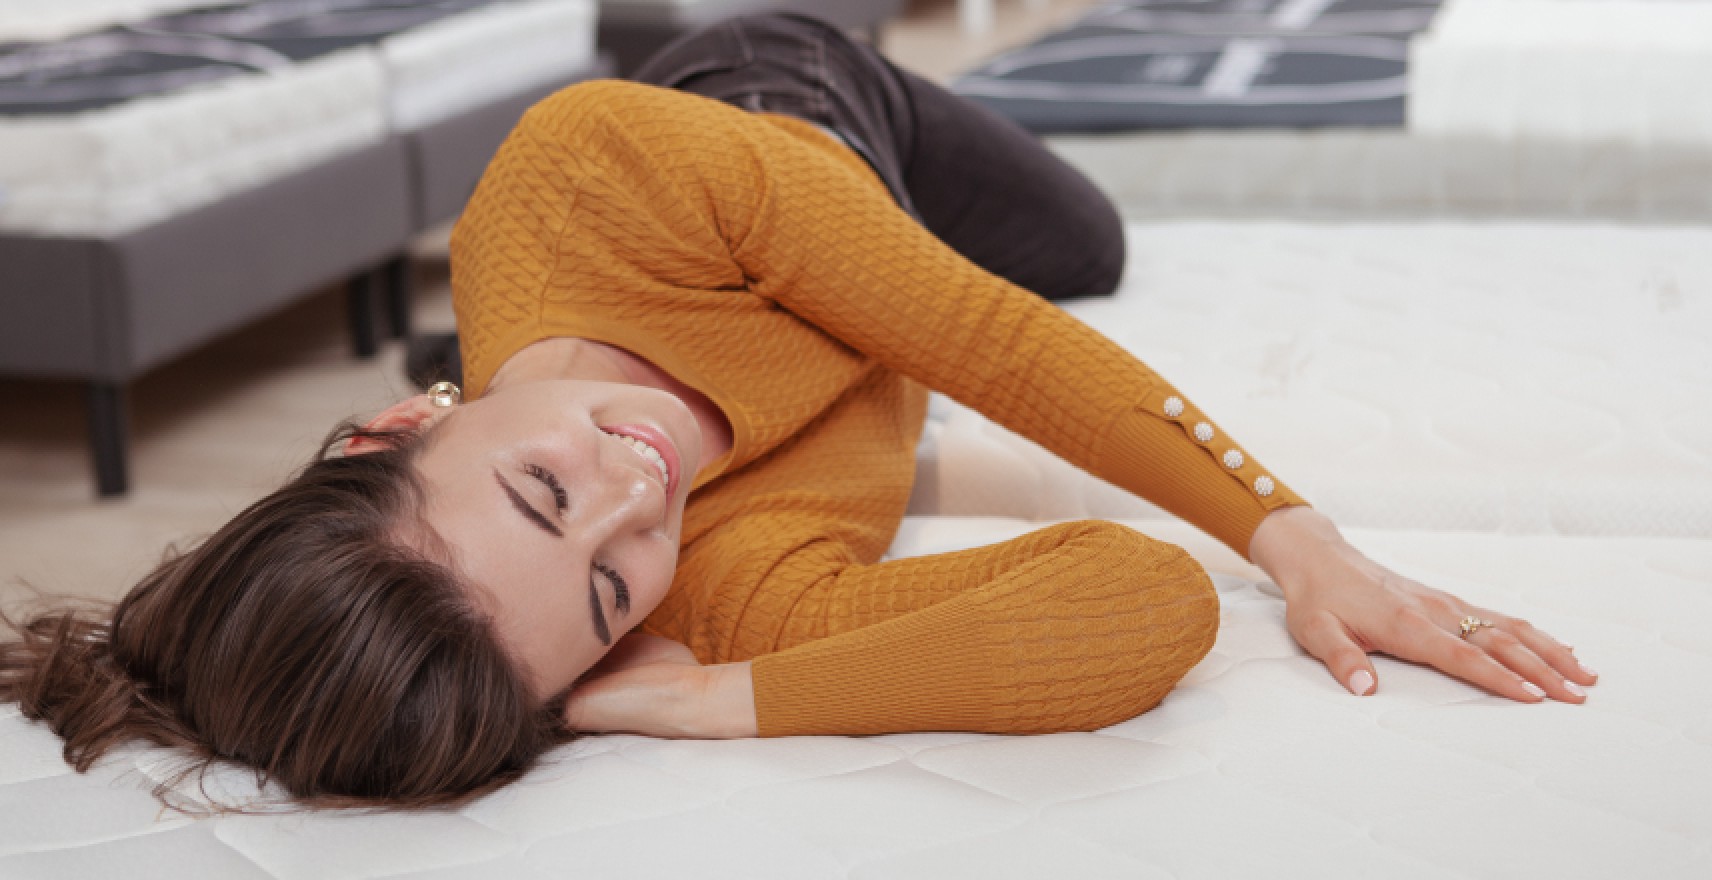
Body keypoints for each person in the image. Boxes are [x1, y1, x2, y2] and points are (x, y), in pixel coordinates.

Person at [1, 13, 1597, 810]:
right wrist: (710, 701)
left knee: (1079, 250)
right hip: (789, 225)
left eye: (547, 494)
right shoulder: (718, 602)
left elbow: (1001, 343)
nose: (644, 504)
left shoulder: (599, 165)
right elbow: (1142, 603)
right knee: (1041, 258)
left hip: (790, 105)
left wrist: (1300, 539)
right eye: (611, 594)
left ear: (392, 426)